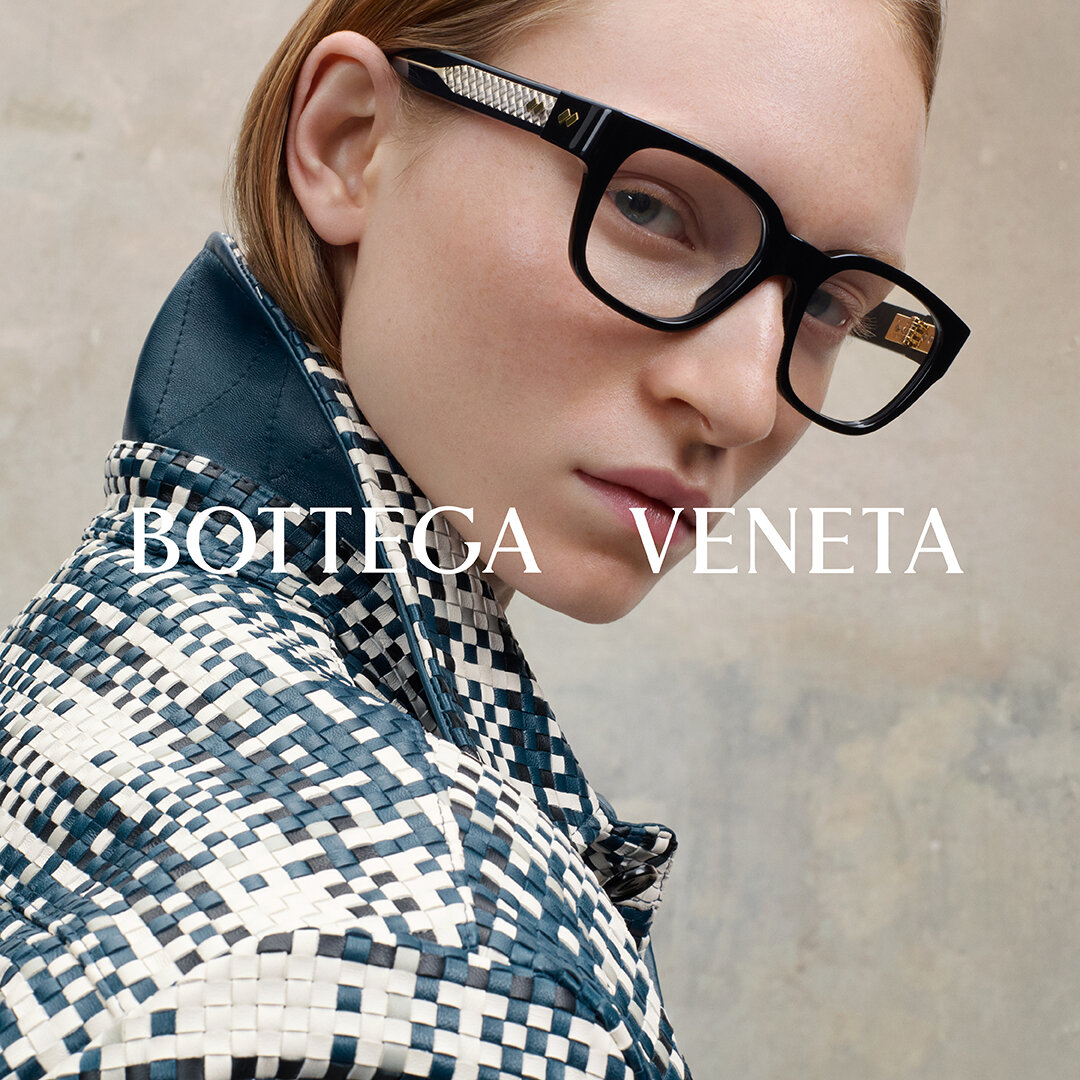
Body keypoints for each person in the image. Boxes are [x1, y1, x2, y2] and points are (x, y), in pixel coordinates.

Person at [0, 0, 967, 1075]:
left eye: (832, 307)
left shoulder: (106, 636)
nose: (745, 403)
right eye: (649, 205)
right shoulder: (430, 969)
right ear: (349, 141)